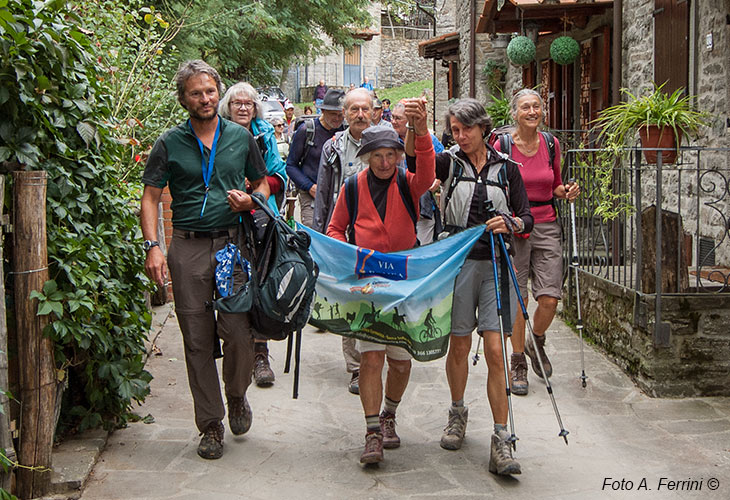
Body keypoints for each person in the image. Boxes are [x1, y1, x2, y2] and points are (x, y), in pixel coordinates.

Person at [140, 60, 269, 460]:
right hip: (188, 247)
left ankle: (236, 396)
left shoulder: (239, 137)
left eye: (210, 91)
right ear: (184, 99)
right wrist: (153, 246)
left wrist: (253, 199)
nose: (205, 99)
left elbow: (262, 182)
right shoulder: (170, 143)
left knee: (237, 331)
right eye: (196, 93)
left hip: (233, 246)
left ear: (219, 92)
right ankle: (210, 424)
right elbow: (149, 195)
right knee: (196, 339)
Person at [409, 98, 533, 476]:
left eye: (466, 129)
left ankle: (501, 438)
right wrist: (419, 130)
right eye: (455, 131)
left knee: (496, 351)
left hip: (496, 264)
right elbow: (420, 167)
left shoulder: (508, 168)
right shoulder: (448, 162)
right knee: (460, 343)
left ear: (483, 128)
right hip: (459, 266)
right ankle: (457, 411)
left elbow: (527, 218)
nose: (460, 136)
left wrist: (510, 223)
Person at [327, 100, 435, 464]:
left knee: (402, 362)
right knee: (371, 358)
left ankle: (390, 413)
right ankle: (372, 430)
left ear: (398, 155)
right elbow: (335, 229)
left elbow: (426, 166)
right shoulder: (352, 188)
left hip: (405, 283)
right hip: (369, 286)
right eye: (378, 155)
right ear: (366, 156)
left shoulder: (410, 183)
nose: (385, 162)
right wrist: (349, 260)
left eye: (391, 154)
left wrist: (420, 130)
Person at [493, 89, 580, 396]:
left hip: (545, 223)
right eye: (525, 107)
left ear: (543, 112)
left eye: (536, 107)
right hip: (515, 225)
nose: (532, 111)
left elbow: (554, 184)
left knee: (550, 298)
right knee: (519, 299)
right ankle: (518, 361)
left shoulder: (551, 145)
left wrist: (565, 190)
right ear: (514, 113)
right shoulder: (502, 146)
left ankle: (535, 340)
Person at [219, 82, 289, 388]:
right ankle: (236, 350)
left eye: (248, 104)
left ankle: (260, 354)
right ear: (228, 107)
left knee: (260, 283)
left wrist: (256, 190)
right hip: (224, 219)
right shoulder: (216, 132)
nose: (243, 108)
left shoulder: (263, 134)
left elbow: (278, 176)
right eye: (237, 104)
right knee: (231, 285)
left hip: (260, 216)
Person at [311, 88, 374, 395]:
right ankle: (356, 366)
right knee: (352, 299)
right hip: (344, 236)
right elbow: (323, 194)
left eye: (365, 109)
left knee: (376, 296)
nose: (360, 114)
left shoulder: (384, 143)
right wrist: (319, 240)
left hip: (378, 237)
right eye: (354, 110)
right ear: (345, 114)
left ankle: (375, 358)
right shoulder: (333, 147)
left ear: (374, 112)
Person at [286, 89, 345, 228]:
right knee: (314, 236)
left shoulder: (345, 132)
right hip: (310, 195)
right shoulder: (307, 131)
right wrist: (310, 187)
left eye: (340, 115)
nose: (337, 118)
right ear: (323, 111)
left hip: (338, 196)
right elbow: (291, 165)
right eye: (333, 114)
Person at [391, 100, 444, 244]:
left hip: (422, 206)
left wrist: (433, 183)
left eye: (398, 118)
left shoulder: (429, 139)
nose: (393, 121)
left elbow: (441, 166)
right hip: (396, 206)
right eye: (392, 117)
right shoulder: (388, 139)